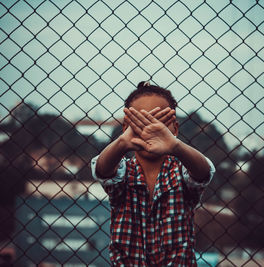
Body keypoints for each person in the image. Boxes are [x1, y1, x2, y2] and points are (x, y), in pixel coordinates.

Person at [91, 81, 215, 266]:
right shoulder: (123, 173)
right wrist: (123, 142)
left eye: (160, 123)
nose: (150, 129)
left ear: (175, 128)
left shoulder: (180, 172)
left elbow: (203, 172)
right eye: (140, 122)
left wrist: (174, 145)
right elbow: (102, 170)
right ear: (126, 127)